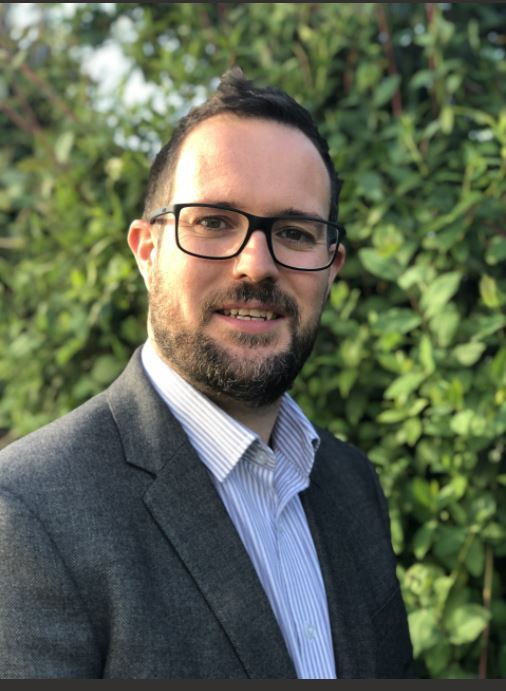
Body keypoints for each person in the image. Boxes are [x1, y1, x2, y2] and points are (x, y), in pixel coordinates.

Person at [0, 69, 414, 679]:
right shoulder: (29, 514)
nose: (256, 265)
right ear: (147, 252)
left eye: (294, 232)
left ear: (331, 268)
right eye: (214, 222)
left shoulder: (352, 486)